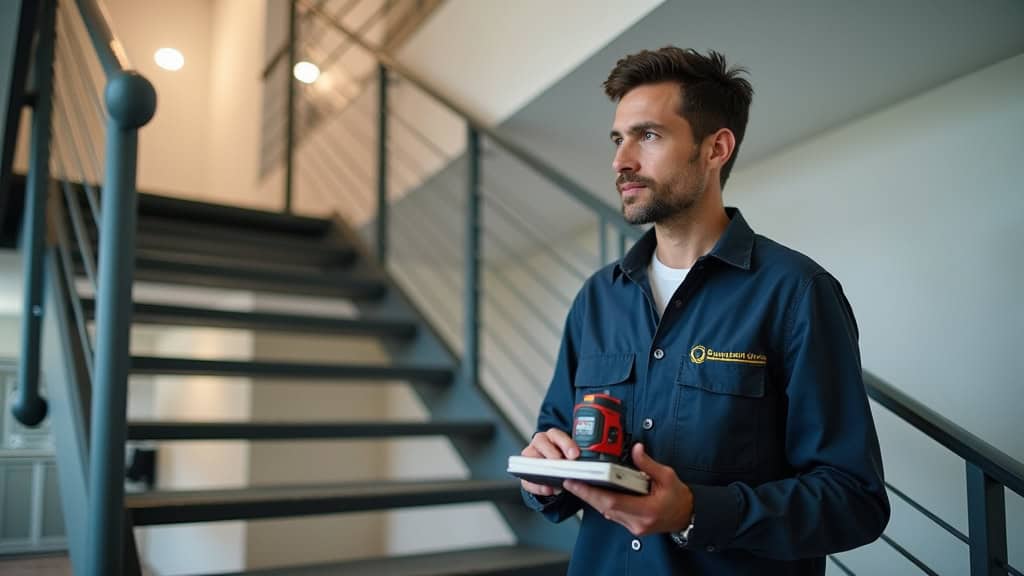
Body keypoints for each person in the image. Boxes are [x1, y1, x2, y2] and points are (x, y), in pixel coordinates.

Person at [520, 46, 890, 575]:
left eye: (648, 135)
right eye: (618, 139)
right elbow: (557, 448)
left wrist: (697, 512)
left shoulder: (797, 293)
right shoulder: (597, 298)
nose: (621, 160)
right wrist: (543, 475)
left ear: (715, 148)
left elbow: (854, 500)